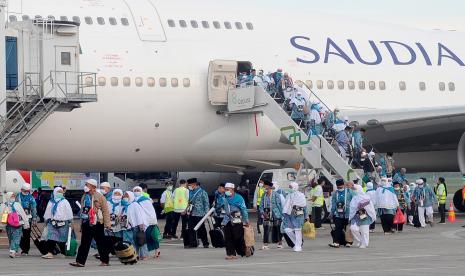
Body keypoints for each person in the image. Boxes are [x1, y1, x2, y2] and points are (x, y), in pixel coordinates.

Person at [70, 179, 111, 267]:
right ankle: (80, 261)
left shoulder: (100, 197)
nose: (85, 186)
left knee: (101, 242)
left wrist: (107, 224)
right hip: (86, 222)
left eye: (87, 185)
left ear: (93, 187)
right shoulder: (84, 196)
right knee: (85, 242)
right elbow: (83, 209)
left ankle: (105, 260)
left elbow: (105, 211)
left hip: (97, 223)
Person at [41, 187, 73, 259]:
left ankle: (63, 252)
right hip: (52, 223)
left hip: (63, 223)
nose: (60, 193)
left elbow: (69, 212)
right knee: (51, 237)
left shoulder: (65, 201)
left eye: (61, 192)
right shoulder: (51, 202)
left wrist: (71, 221)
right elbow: (48, 212)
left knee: (62, 239)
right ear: (55, 192)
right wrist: (46, 221)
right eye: (58, 192)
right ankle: (50, 253)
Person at [220, 183, 249, 260]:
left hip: (237, 219)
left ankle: (244, 249)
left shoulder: (239, 198)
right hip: (227, 219)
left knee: (237, 236)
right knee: (228, 237)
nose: (226, 191)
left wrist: (246, 220)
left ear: (232, 190)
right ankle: (231, 253)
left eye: (227, 189)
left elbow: (243, 209)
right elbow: (218, 206)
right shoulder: (223, 197)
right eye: (225, 189)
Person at [120, 191, 149, 260]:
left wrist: (141, 225)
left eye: (127, 196)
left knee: (139, 241)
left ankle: (143, 255)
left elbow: (139, 215)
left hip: (136, 226)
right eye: (124, 196)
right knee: (129, 242)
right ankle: (132, 255)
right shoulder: (124, 206)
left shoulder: (134, 204)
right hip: (127, 227)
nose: (125, 197)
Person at [1, 192, 30, 258]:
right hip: (8, 225)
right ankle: (15, 251)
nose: (13, 197)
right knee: (11, 238)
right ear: (8, 197)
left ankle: (13, 251)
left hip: (18, 225)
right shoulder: (4, 205)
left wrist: (26, 224)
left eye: (14, 196)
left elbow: (23, 214)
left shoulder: (17, 204)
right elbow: (2, 216)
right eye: (11, 196)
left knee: (16, 238)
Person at [134, 186, 160, 258]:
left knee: (150, 236)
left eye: (138, 190)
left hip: (149, 221)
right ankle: (146, 253)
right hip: (140, 222)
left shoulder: (145, 199)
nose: (136, 192)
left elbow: (151, 211)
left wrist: (153, 220)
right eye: (135, 190)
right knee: (143, 238)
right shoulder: (133, 200)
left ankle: (156, 250)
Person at [282, 182, 308, 252]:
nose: (289, 188)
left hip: (298, 214)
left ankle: (298, 246)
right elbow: (286, 205)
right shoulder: (289, 195)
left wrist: (306, 216)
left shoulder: (301, 195)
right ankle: (297, 243)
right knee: (287, 229)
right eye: (289, 187)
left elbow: (305, 206)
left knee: (297, 230)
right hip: (288, 214)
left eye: (291, 187)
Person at [329, 179, 354, 248]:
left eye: (341, 187)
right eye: (338, 187)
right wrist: (331, 213)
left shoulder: (349, 192)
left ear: (344, 185)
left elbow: (354, 201)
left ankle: (348, 242)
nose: (339, 188)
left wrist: (354, 211)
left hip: (348, 214)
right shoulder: (335, 193)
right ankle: (336, 242)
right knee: (338, 228)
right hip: (338, 214)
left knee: (348, 229)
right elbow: (333, 204)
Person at [259, 181, 283, 250]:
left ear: (269, 187)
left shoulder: (276, 194)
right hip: (267, 213)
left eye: (265, 186)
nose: (264, 188)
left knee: (277, 228)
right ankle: (265, 244)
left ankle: (280, 243)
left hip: (276, 214)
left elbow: (279, 205)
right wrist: (262, 212)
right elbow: (261, 205)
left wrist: (281, 215)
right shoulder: (264, 195)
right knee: (266, 228)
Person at [186, 178, 210, 248]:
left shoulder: (202, 192)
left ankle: (205, 243)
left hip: (200, 214)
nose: (189, 186)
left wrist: (206, 214)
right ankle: (193, 243)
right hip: (191, 213)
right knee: (191, 228)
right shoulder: (190, 192)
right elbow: (188, 202)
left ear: (194, 184)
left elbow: (206, 203)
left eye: (190, 185)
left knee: (201, 229)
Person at [16, 183, 37, 256]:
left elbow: (34, 208)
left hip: (28, 219)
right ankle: (21, 246)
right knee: (18, 233)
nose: (26, 192)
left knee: (26, 235)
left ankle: (25, 250)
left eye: (27, 191)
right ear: (21, 189)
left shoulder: (31, 198)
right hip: (18, 218)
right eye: (25, 191)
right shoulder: (17, 196)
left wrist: (34, 218)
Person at [107, 189, 123, 255]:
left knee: (119, 237)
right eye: (115, 193)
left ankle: (118, 251)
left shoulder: (123, 202)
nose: (117, 195)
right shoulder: (108, 202)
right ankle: (111, 251)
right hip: (110, 221)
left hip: (119, 222)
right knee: (110, 238)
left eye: (118, 194)